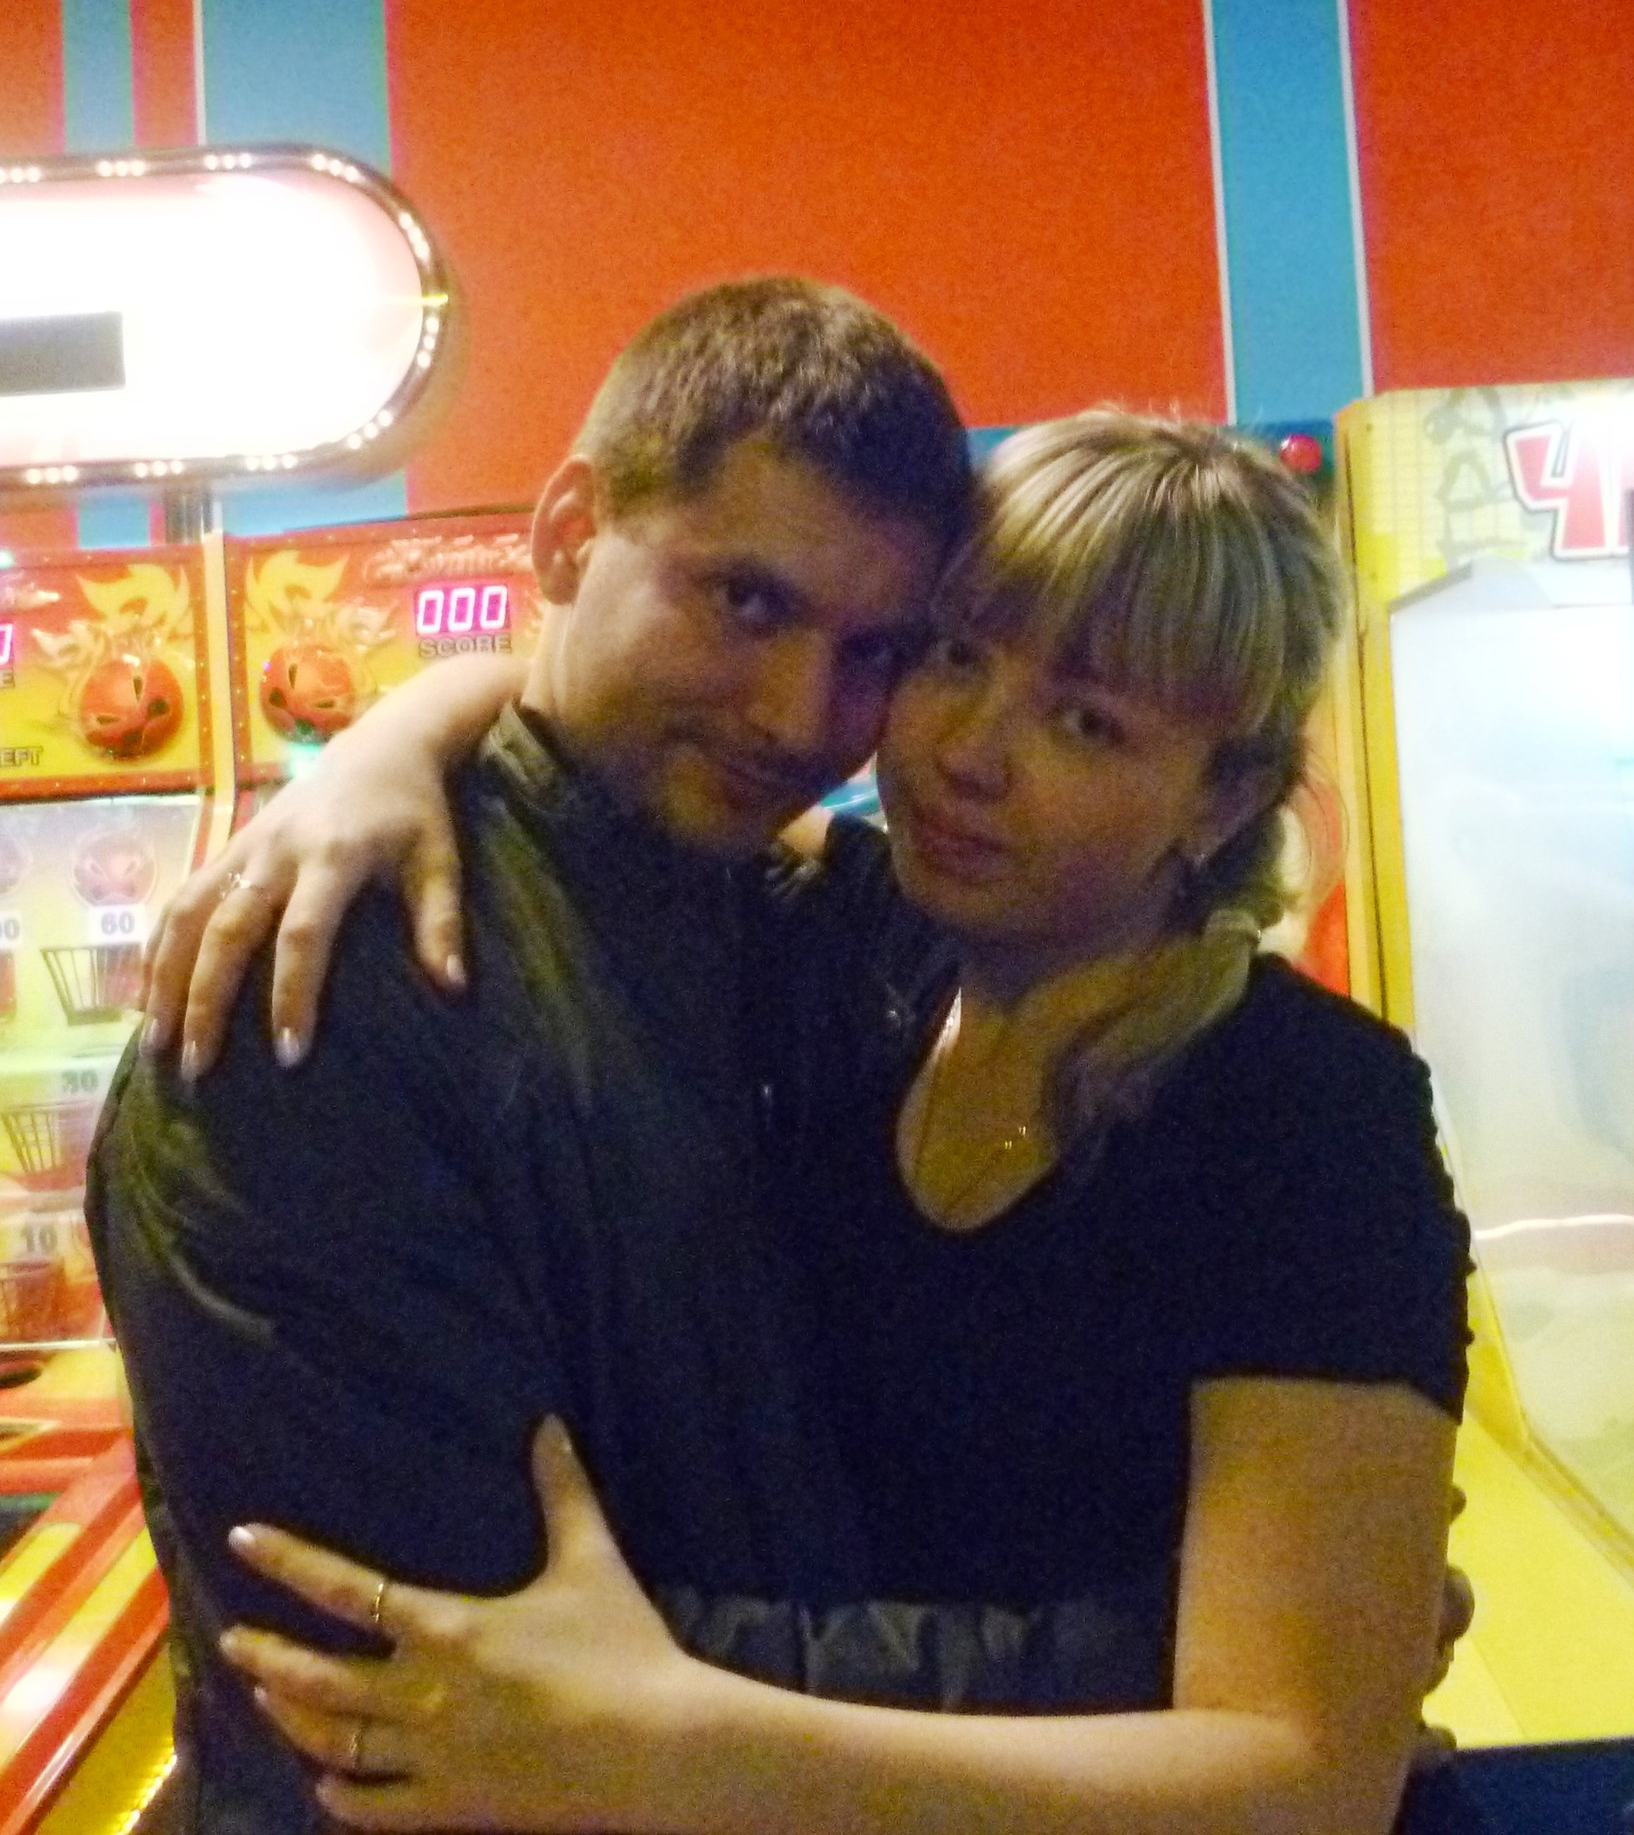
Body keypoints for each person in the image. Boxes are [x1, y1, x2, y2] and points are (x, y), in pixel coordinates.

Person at [130, 410, 1472, 1834]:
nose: (968, 752)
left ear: (1225, 797)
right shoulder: (868, 954)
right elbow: (588, 729)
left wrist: (685, 1748)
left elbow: (1304, 1780)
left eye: (1086, 721)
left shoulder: (1300, 1113)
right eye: (952, 658)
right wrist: (382, 748)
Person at [88, 276, 1019, 1831]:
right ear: (570, 534)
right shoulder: (308, 997)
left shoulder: (787, 926)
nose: (801, 715)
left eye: (872, 651)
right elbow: (477, 1696)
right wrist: (1205, 1671)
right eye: (745, 604)